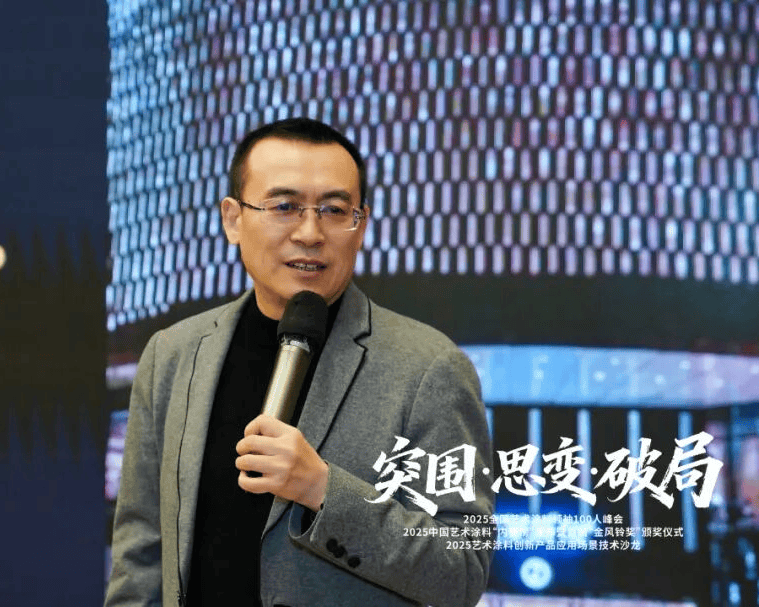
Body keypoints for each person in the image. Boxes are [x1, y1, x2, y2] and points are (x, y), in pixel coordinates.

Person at [105, 118, 493, 607]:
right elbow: (141, 554)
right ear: (232, 219)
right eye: (284, 207)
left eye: (334, 210)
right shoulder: (174, 354)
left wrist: (324, 490)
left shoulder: (430, 368)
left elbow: (462, 571)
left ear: (361, 225)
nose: (310, 233)